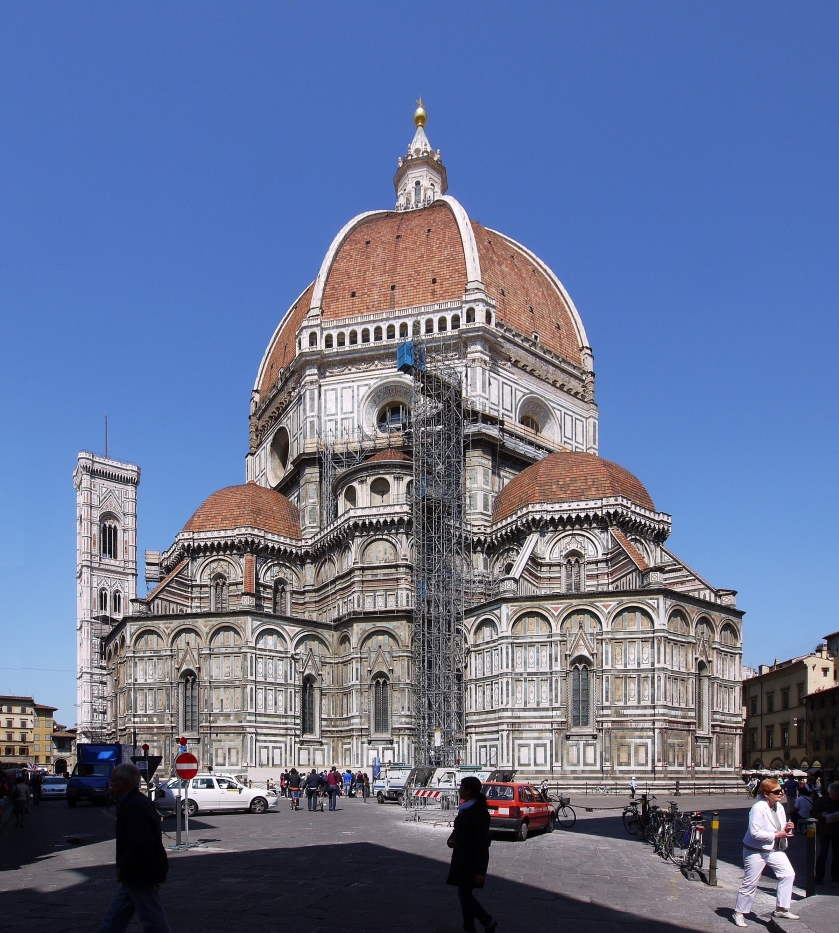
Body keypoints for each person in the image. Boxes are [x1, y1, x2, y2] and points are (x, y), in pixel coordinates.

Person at [99, 763, 171, 933]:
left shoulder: (133, 805)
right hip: (136, 873)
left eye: (113, 780)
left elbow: (142, 841)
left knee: (153, 921)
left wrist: (123, 865)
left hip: (140, 872)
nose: (111, 784)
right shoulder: (137, 801)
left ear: (125, 782)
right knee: (114, 917)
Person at [732, 778, 798, 926]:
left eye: (781, 790)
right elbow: (755, 832)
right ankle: (739, 912)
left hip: (774, 848)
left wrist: (787, 828)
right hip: (755, 850)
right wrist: (776, 835)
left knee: (788, 874)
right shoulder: (758, 808)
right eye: (776, 791)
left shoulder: (779, 807)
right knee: (750, 882)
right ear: (766, 793)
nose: (781, 793)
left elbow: (779, 827)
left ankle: (781, 908)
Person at [446, 776, 497, 933]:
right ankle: (469, 927)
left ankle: (487, 920)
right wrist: (450, 841)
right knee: (464, 895)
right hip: (461, 859)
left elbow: (483, 843)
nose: (459, 789)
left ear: (468, 791)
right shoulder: (465, 808)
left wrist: (481, 871)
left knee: (464, 896)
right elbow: (458, 831)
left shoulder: (479, 813)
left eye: (461, 787)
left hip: (471, 861)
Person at [811, 782, 839, 885]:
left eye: (837, 795)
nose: (835, 797)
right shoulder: (821, 800)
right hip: (825, 830)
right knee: (823, 852)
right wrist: (821, 814)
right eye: (833, 795)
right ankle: (819, 876)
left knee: (837, 854)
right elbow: (812, 812)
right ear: (829, 793)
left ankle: (835, 875)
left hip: (837, 830)